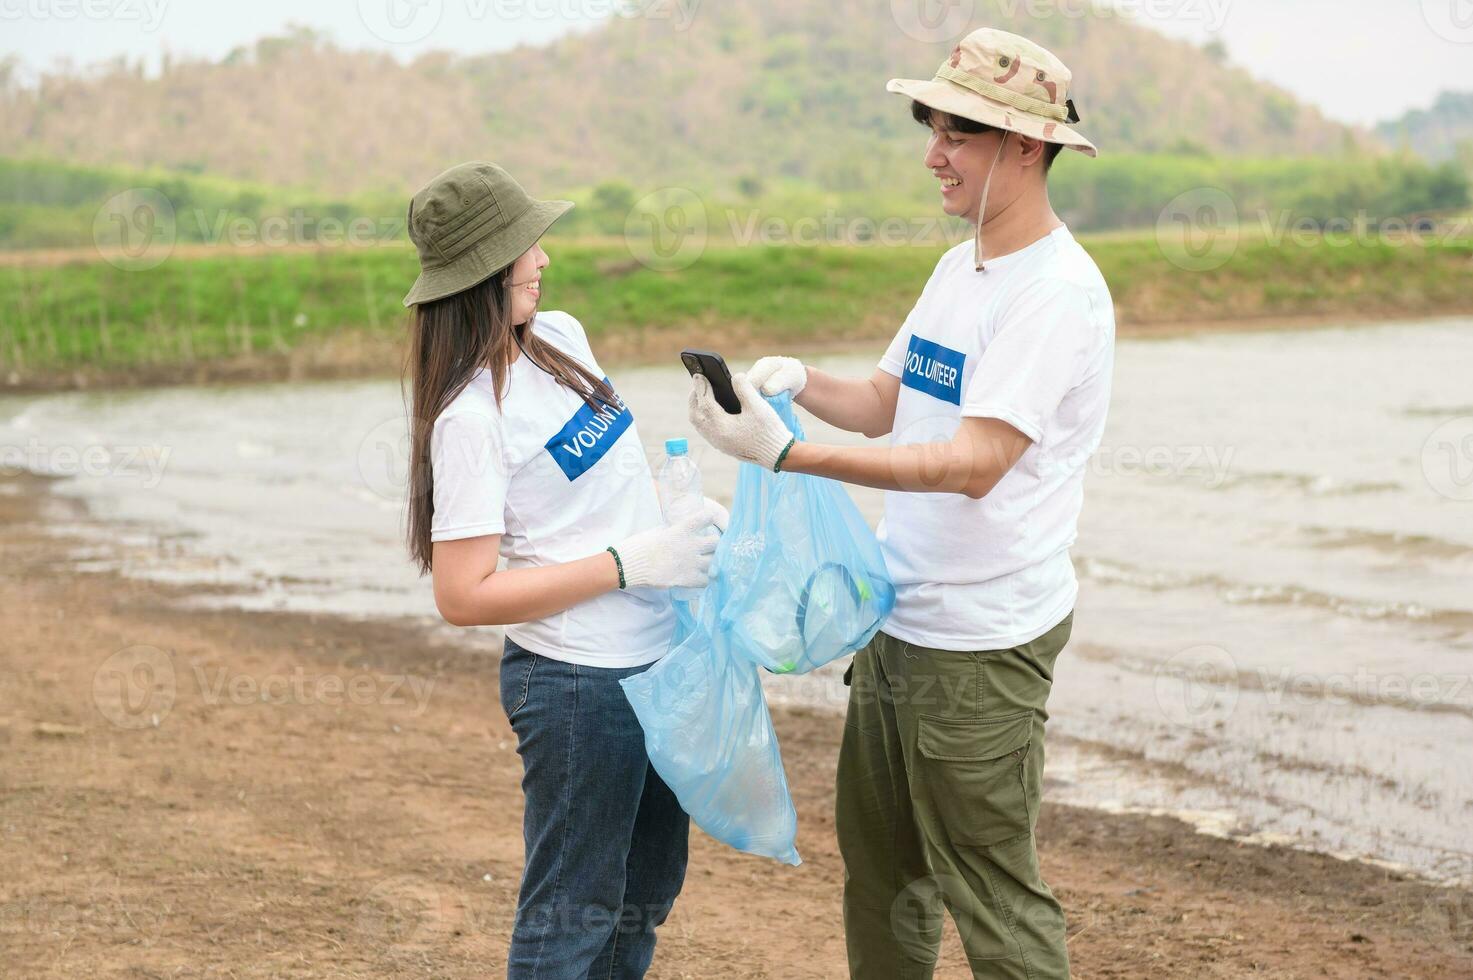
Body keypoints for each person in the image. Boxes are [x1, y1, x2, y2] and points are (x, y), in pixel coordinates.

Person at [687, 28, 1114, 980]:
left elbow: (973, 462)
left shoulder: (1053, 296)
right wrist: (792, 385)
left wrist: (791, 455)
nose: (932, 155)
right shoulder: (960, 269)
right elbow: (887, 406)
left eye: (957, 135)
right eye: (931, 128)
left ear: (1027, 148)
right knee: (881, 880)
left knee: (991, 895)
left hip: (981, 639)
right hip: (900, 616)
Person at [401, 162, 724, 979]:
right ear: (480, 274)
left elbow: (612, 480)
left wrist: (677, 514)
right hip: (579, 687)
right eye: (523, 247)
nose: (541, 259)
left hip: (658, 656)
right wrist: (625, 564)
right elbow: (462, 596)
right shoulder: (470, 420)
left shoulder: (563, 340)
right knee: (570, 916)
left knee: (646, 892)